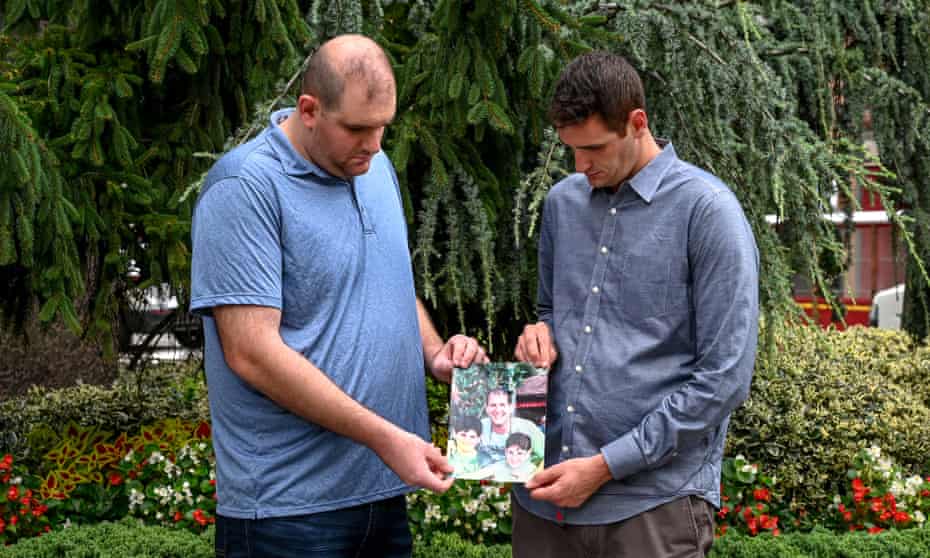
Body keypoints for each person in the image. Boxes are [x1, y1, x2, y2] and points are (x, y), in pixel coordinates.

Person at [190, 34, 487, 558]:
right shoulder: (245, 187)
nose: (373, 143)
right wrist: (384, 437)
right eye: (356, 128)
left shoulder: (373, 168)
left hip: (382, 493)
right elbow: (251, 352)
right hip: (288, 511)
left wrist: (435, 352)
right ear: (309, 110)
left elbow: (388, 280)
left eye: (382, 126)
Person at [513, 51, 759, 558]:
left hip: (652, 507)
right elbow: (551, 312)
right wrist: (540, 336)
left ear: (637, 123)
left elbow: (724, 379)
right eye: (571, 150)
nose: (581, 165)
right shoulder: (562, 204)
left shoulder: (707, 212)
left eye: (594, 148)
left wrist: (606, 466)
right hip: (544, 504)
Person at [479, 388, 545, 466]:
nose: (498, 410)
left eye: (502, 405)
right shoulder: (480, 426)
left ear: (510, 408)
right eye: (493, 405)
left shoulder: (527, 427)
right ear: (487, 408)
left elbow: (547, 455)